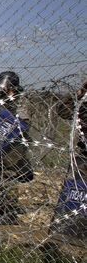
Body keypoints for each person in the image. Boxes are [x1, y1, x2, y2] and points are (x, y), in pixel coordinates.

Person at [0, 71, 33, 225]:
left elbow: (22, 122)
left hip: (14, 145)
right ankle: (3, 203)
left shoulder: (21, 99)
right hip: (0, 142)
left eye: (3, 84)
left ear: (11, 85)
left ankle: (9, 212)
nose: (1, 87)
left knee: (9, 177)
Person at [50, 79, 87, 240]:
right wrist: (79, 93)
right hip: (84, 153)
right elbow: (63, 112)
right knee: (76, 194)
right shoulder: (84, 99)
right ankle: (70, 234)